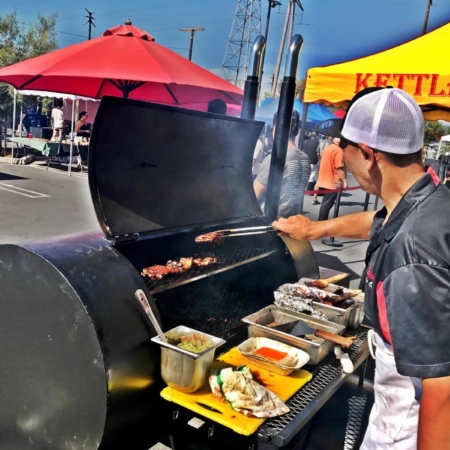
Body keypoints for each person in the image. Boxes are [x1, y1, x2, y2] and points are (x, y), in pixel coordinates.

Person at [273, 87, 450, 450]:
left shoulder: (411, 256)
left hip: (410, 423)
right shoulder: (431, 200)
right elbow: (377, 219)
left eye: (345, 148)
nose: (342, 157)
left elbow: (443, 389)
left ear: (368, 154)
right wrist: (313, 229)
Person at [254, 110, 310, 218]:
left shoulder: (273, 159)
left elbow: (254, 195)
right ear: (297, 131)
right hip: (291, 219)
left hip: (268, 220)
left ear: (275, 129)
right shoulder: (305, 158)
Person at [314, 136, 347, 220]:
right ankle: (321, 223)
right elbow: (339, 167)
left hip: (324, 178)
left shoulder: (328, 148)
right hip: (332, 181)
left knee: (325, 203)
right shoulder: (338, 150)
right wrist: (344, 180)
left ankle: (321, 222)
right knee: (327, 204)